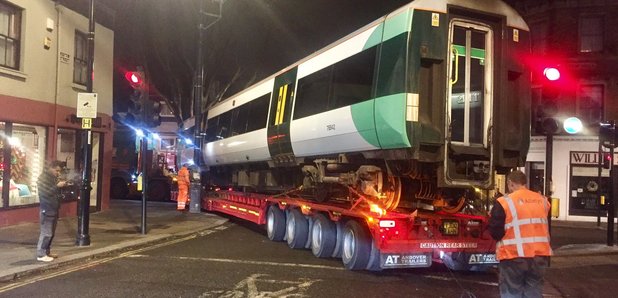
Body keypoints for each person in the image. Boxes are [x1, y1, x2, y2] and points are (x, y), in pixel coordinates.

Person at [489, 170, 553, 297]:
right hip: (539, 256)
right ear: (525, 183)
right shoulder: (543, 200)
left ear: (510, 183)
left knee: (512, 291)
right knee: (534, 291)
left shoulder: (504, 202)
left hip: (513, 256)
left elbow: (496, 231)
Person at [36, 161, 67, 262]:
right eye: (57, 170)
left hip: (53, 208)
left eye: (59, 171)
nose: (58, 173)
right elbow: (46, 193)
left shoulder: (52, 178)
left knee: (51, 233)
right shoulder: (43, 179)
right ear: (50, 168)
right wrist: (57, 186)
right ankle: (41, 254)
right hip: (47, 208)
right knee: (46, 233)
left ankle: (46, 252)